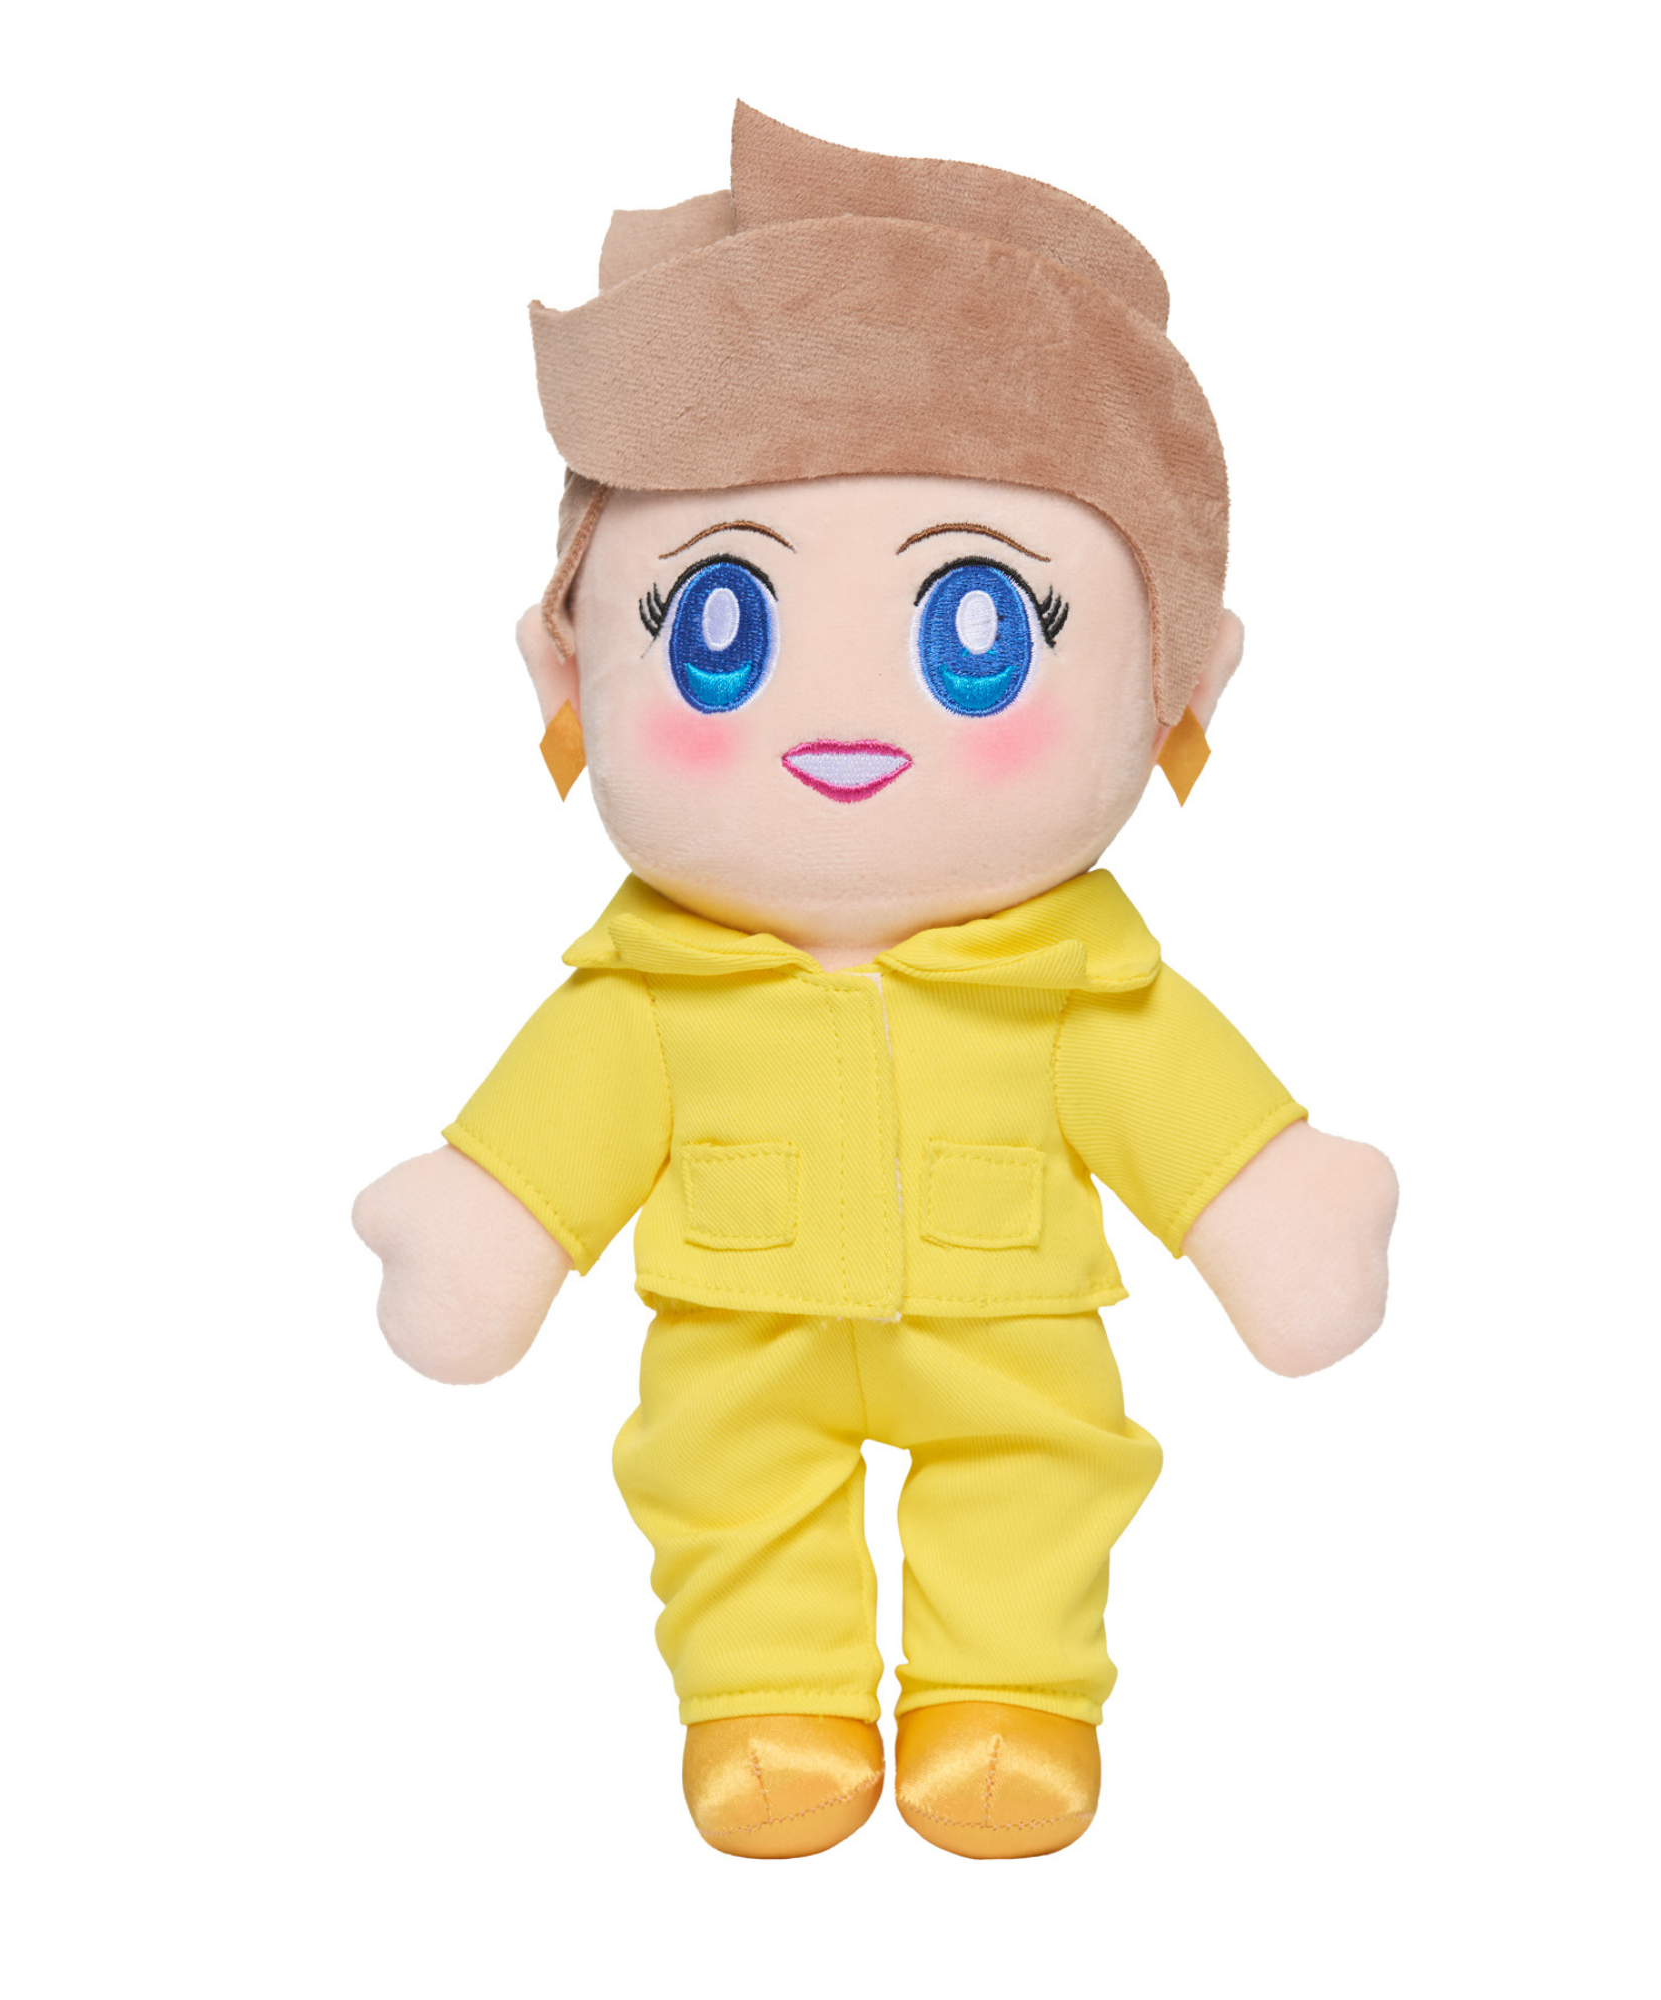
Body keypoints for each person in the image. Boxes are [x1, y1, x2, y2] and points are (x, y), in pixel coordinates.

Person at [354, 105, 1396, 1861]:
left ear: (1177, 685)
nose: (839, 715)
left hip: (1008, 1332)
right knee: (726, 1483)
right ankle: (769, 1698)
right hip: (738, 1334)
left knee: (1035, 1475)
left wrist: (1274, 1201)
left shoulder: (1079, 986)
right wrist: (484, 1222)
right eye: (722, 627)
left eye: (976, 631)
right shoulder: (646, 992)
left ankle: (1012, 1695)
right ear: (567, 667)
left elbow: (1185, 1109)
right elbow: (555, 1131)